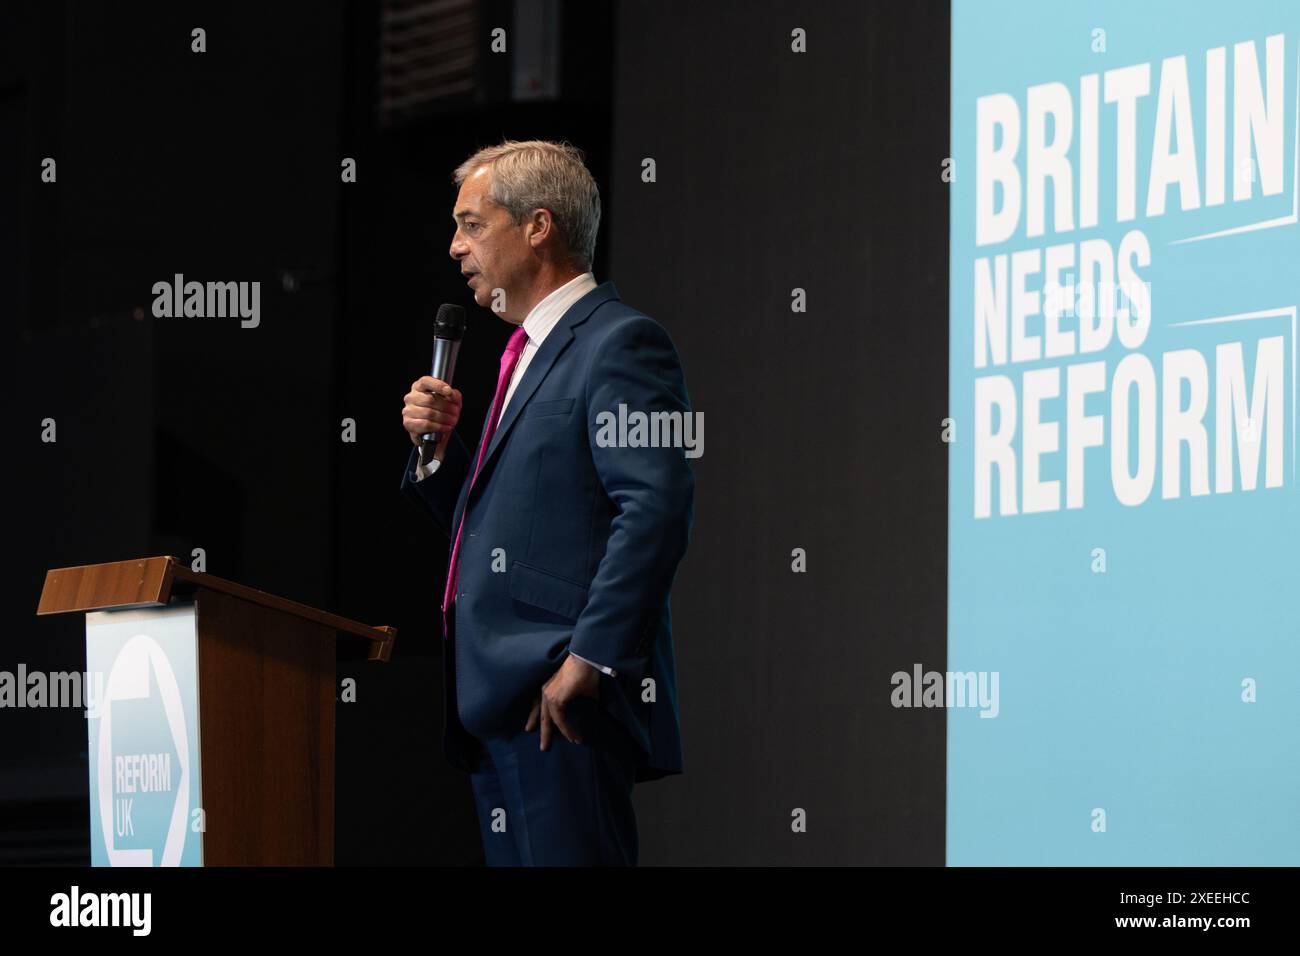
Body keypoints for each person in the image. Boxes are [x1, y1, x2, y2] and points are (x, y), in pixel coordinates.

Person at [399, 139, 694, 866]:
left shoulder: (621, 344)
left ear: (538, 225)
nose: (455, 246)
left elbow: (654, 510)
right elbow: (510, 522)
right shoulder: (524, 352)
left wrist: (588, 660)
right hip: (500, 702)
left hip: (559, 701)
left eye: (471, 224)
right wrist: (440, 454)